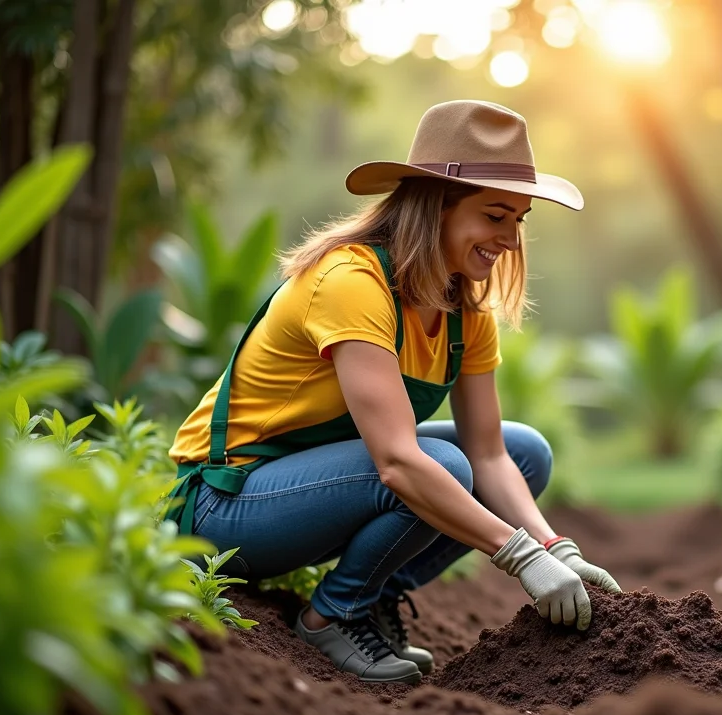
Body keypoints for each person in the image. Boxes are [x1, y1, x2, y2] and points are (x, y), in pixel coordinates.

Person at [167, 100, 621, 685]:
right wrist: (520, 558)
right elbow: (398, 461)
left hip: (315, 487)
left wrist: (554, 546)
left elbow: (491, 455)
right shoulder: (351, 282)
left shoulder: (464, 307)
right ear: (437, 206)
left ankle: (373, 597)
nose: (509, 238)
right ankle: (334, 613)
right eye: (495, 216)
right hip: (224, 505)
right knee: (438, 467)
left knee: (525, 450)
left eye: (519, 220)